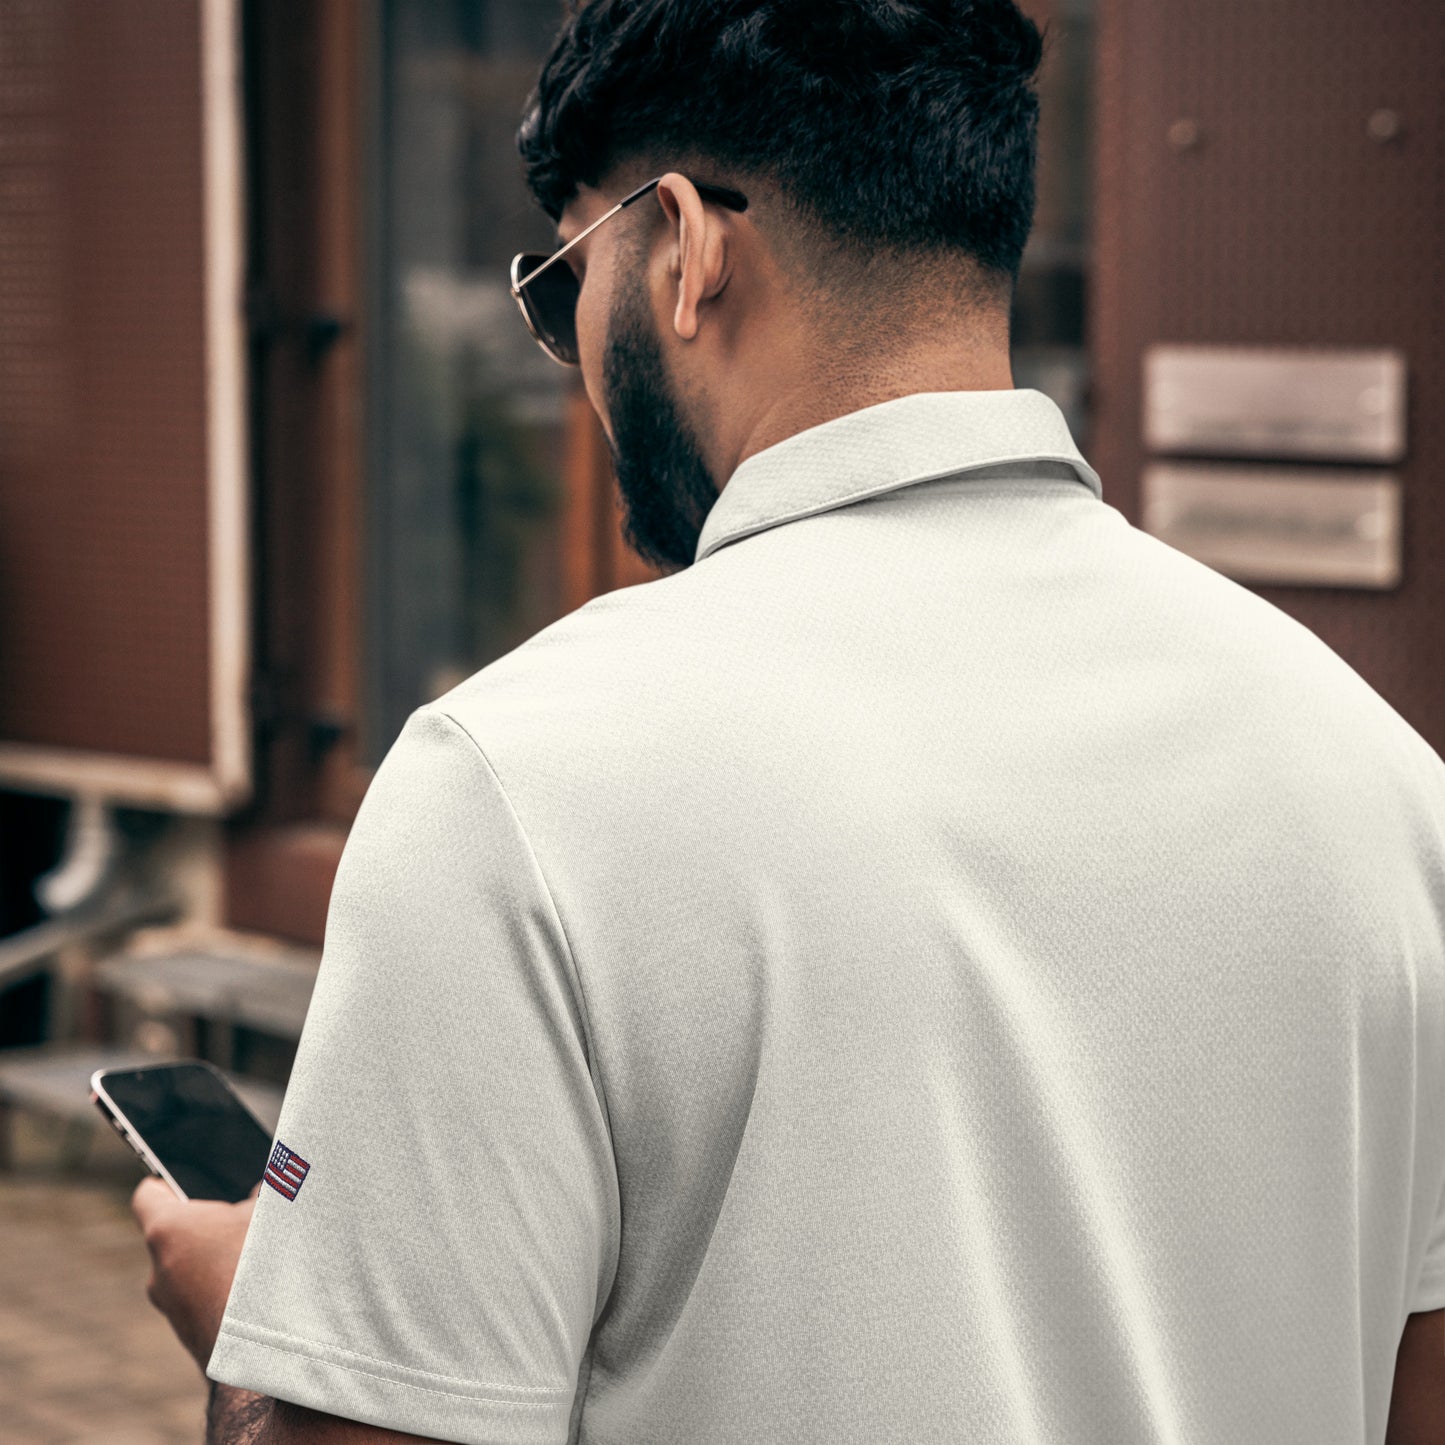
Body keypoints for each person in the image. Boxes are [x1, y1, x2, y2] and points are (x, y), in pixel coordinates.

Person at [132, 1, 1445, 1441]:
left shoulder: (522, 781)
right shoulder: (1378, 776)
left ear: (685, 247)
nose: (567, 347)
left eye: (559, 280)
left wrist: (261, 1346)